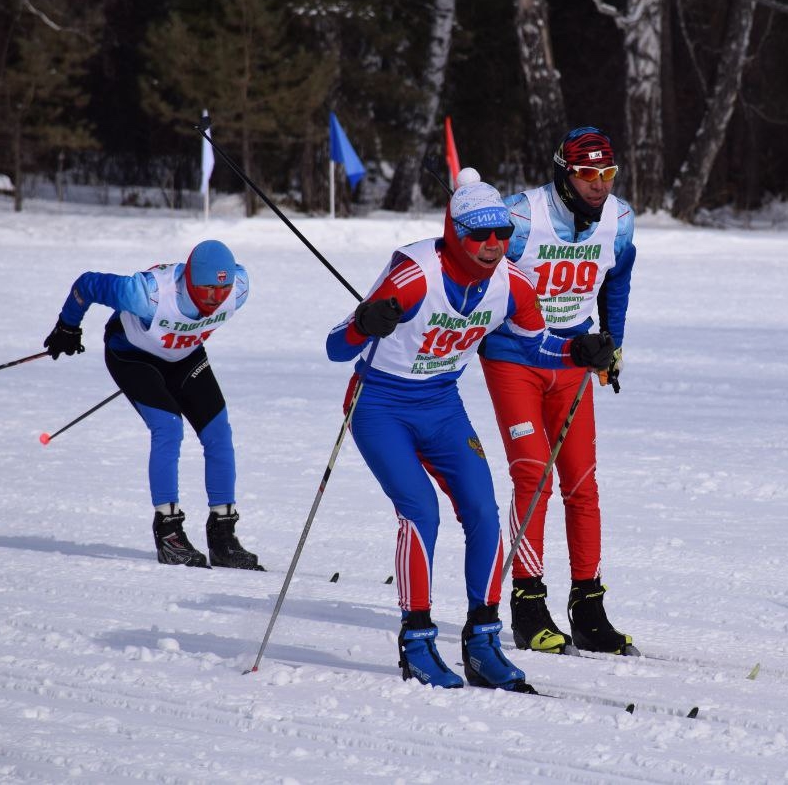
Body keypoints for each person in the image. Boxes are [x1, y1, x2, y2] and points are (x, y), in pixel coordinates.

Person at [325, 173, 615, 692]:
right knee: (420, 510)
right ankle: (416, 640)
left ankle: (482, 642)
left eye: (501, 235)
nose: (492, 246)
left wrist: (576, 352)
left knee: (483, 508)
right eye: (479, 236)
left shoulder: (513, 283)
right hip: (380, 405)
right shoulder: (413, 274)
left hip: (441, 404)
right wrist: (365, 323)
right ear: (454, 232)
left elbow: (534, 347)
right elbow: (335, 347)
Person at [478, 126, 638, 656]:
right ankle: (527, 604)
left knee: (582, 483)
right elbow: (474, 268)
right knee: (533, 475)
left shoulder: (618, 220)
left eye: (607, 174)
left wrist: (610, 343)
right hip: (514, 359)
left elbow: (618, 276)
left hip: (572, 360)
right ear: (564, 173)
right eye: (588, 174)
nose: (599, 185)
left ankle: (588, 606)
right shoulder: (520, 216)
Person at [43, 239, 263, 572]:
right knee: (168, 428)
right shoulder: (146, 294)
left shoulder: (239, 288)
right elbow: (87, 283)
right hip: (131, 354)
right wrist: (68, 325)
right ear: (188, 280)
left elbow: (221, 291)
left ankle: (223, 536)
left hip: (184, 356)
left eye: (222, 291)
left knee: (218, 432)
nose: (215, 300)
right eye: (206, 291)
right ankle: (169, 533)